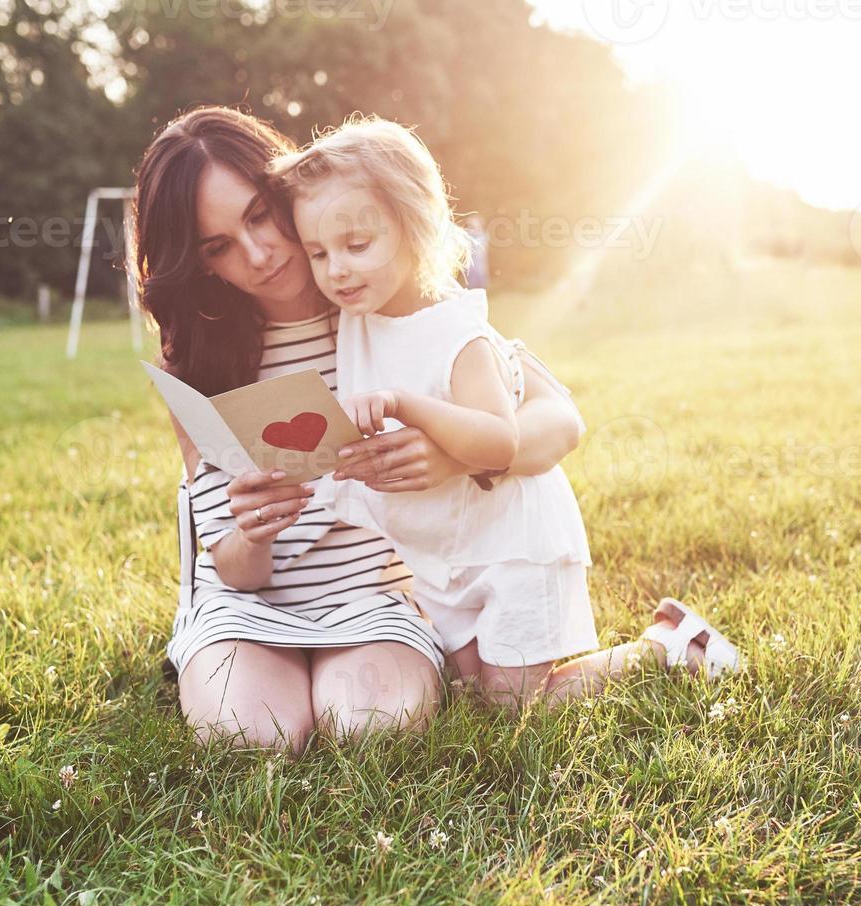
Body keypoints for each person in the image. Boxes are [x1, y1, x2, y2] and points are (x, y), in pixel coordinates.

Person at [132, 107, 594, 754]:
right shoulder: (202, 363)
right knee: (248, 738)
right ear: (199, 262)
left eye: (260, 216)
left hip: (371, 600)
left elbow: (557, 419)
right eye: (219, 247)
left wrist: (451, 457)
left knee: (372, 729)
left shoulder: (381, 297)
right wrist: (252, 530)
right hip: (248, 609)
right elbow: (231, 565)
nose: (259, 255)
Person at [268, 116, 740, 711]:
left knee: (517, 702)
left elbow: (497, 442)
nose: (336, 268)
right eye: (319, 252)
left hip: (510, 542)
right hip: (443, 547)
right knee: (469, 692)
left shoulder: (458, 334)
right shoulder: (360, 316)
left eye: (356, 246)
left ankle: (665, 646)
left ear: (416, 229)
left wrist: (406, 405)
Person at [463, 214, 490, 289]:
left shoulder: (482, 236)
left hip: (479, 262)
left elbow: (480, 247)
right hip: (471, 263)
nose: (471, 229)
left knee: (480, 277)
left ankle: (480, 289)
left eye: (474, 226)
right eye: (470, 226)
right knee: (471, 279)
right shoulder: (468, 235)